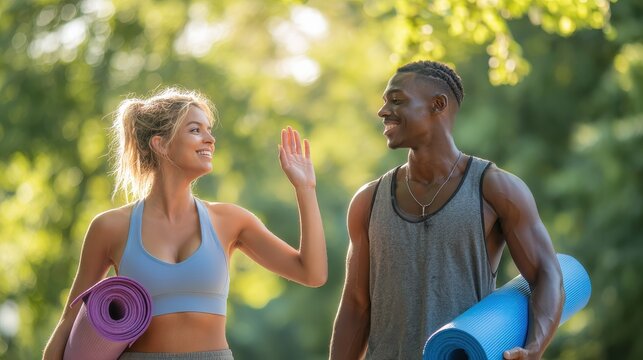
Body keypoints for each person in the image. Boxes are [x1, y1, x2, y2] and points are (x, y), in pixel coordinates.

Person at [42, 87, 327, 360]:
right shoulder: (110, 227)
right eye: (195, 130)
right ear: (161, 144)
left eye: (209, 130)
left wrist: (305, 190)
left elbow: (312, 274)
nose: (210, 139)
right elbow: (71, 317)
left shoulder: (231, 221)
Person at [329, 60, 564, 360]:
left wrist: (534, 348)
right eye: (384, 102)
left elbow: (547, 274)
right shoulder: (368, 201)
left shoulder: (496, 189)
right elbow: (356, 305)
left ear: (437, 105)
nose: (383, 111)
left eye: (397, 100)